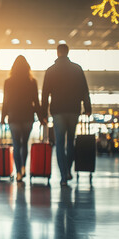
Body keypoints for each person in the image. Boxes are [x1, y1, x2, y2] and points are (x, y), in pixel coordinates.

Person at [41, 44, 91, 186]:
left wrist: (43, 113)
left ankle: (63, 175)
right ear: (68, 52)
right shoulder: (77, 69)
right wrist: (87, 108)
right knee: (70, 142)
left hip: (58, 111)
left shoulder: (51, 70)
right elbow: (84, 90)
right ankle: (68, 170)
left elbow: (45, 93)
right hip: (74, 109)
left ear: (57, 53)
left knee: (60, 143)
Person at [1, 55, 41, 182]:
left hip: (13, 117)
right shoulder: (32, 81)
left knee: (17, 145)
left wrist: (3, 117)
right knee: (24, 144)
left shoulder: (8, 82)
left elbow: (5, 101)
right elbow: (36, 100)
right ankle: (23, 167)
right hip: (28, 117)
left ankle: (18, 172)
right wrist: (41, 117)